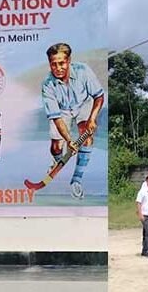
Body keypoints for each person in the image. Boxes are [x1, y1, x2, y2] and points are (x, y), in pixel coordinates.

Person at [40, 43, 105, 199]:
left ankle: (76, 180)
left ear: (68, 60)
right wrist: (68, 140)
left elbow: (99, 96)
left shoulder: (84, 71)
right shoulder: (47, 85)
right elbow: (56, 117)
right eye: (53, 64)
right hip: (62, 111)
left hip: (83, 104)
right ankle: (57, 161)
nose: (58, 68)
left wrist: (92, 119)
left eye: (61, 63)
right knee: (56, 146)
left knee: (87, 137)